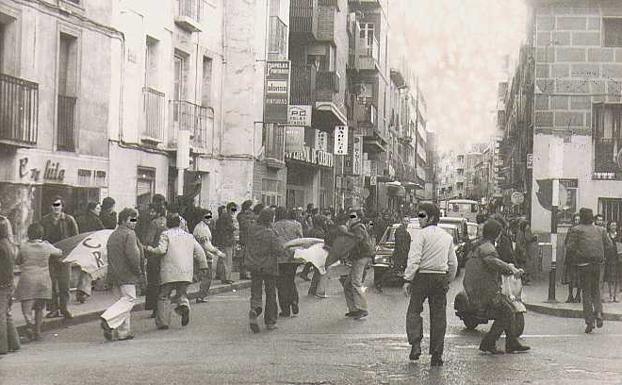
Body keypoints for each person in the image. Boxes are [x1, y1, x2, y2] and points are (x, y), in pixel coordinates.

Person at [463, 219, 530, 355]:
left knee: (508, 310)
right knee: (507, 312)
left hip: (476, 288)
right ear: (497, 234)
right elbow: (494, 262)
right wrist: (511, 269)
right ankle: (490, 342)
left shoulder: (478, 245)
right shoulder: (488, 247)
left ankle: (510, 343)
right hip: (485, 290)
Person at [402, 203, 457, 366]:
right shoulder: (447, 237)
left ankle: (415, 344)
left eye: (422, 216)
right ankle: (436, 354)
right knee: (439, 316)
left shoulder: (420, 235)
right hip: (440, 277)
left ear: (431, 218)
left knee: (414, 311)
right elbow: (453, 263)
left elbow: (414, 259)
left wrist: (408, 279)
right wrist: (448, 280)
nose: (419, 220)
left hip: (422, 277)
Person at [147, 214, 208, 329]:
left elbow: (161, 250)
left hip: (169, 271)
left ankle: (163, 322)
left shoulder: (166, 234)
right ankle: (184, 305)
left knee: (164, 295)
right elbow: (200, 251)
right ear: (179, 223)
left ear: (167, 224)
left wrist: (150, 249)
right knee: (181, 293)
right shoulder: (189, 236)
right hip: (186, 271)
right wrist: (203, 266)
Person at [565, 208, 613, 333]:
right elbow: (609, 245)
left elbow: (570, 248)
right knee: (596, 289)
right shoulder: (600, 230)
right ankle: (598, 313)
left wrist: (575, 257)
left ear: (581, 217)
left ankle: (589, 320)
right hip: (597, 264)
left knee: (586, 292)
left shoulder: (576, 230)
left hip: (583, 264)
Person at [13, 223, 62, 341]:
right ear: (41, 234)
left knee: (27, 309)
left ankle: (30, 326)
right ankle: (38, 331)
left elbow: (18, 261)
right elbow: (59, 252)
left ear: (29, 234)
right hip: (43, 281)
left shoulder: (23, 247)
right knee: (40, 308)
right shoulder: (46, 246)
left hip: (28, 281)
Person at [100, 208, 143, 341]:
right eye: (132, 219)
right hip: (127, 273)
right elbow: (133, 255)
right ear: (124, 220)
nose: (135, 222)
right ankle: (108, 319)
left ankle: (123, 332)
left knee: (121, 302)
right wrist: (138, 271)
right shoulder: (130, 234)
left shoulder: (113, 234)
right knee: (129, 300)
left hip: (114, 273)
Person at [246, 208, 285, 333]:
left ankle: (255, 309)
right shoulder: (270, 233)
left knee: (256, 291)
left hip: (254, 265)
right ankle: (270, 321)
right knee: (270, 293)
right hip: (269, 267)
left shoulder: (251, 230)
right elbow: (279, 250)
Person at [40, 196, 78, 319]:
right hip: (50, 257)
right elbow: (41, 238)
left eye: (58, 205)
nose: (56, 208)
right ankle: (53, 309)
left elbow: (75, 238)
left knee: (64, 284)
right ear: (50, 207)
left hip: (64, 256)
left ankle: (64, 308)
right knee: (50, 284)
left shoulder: (69, 220)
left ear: (62, 206)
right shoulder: (44, 220)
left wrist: (72, 253)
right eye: (53, 205)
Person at [341, 209, 374, 320]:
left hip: (361, 257)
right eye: (350, 216)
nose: (351, 219)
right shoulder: (355, 227)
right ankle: (353, 309)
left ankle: (362, 308)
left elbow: (358, 239)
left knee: (355, 283)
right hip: (359, 257)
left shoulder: (358, 227)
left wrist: (345, 233)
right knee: (347, 285)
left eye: (353, 216)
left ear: (358, 218)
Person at [273, 207, 303, 317]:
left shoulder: (274, 226)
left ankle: (285, 309)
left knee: (281, 283)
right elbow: (301, 240)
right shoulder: (297, 224)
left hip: (280, 258)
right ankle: (294, 300)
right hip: (293, 257)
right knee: (291, 280)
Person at [193, 210, 226, 303]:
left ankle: (200, 296)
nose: (209, 219)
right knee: (207, 277)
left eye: (210, 216)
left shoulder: (203, 227)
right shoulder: (202, 228)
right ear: (202, 217)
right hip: (203, 255)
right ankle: (200, 296)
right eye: (206, 217)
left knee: (202, 276)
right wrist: (219, 253)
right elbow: (206, 245)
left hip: (202, 254)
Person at [75, 201, 105, 303]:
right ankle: (83, 291)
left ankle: (82, 291)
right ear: (92, 209)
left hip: (81, 246)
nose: (99, 210)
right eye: (97, 208)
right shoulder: (96, 220)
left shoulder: (79, 219)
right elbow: (101, 232)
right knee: (88, 269)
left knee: (85, 268)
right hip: (92, 247)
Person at [143, 203, 167, 318]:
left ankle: (155, 309)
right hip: (165, 256)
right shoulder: (167, 221)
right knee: (162, 283)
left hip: (154, 256)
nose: (150, 213)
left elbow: (149, 240)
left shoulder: (154, 223)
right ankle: (162, 309)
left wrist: (146, 248)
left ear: (157, 212)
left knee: (153, 283)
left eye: (152, 211)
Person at [0, 218, 20, 355]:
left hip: (2, 284)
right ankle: (15, 342)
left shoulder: (1, 246)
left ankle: (2, 347)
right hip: (8, 283)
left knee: (1, 316)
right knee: (7, 314)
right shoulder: (9, 244)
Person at [375, 216, 410, 293]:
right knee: (393, 271)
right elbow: (400, 244)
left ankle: (380, 283)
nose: (406, 223)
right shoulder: (400, 230)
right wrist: (404, 254)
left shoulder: (404, 230)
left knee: (403, 270)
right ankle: (379, 283)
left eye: (407, 221)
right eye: (405, 221)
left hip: (403, 254)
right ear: (402, 221)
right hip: (400, 255)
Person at [214, 202, 237, 284]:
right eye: (233, 209)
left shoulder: (223, 216)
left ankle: (223, 276)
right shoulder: (227, 217)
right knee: (227, 260)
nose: (234, 211)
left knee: (222, 259)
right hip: (227, 241)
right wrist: (234, 227)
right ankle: (226, 278)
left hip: (223, 241)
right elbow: (231, 228)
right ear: (229, 208)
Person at [562, 213, 582, 303]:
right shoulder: (570, 230)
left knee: (579, 277)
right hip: (571, 257)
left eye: (578, 220)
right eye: (575, 220)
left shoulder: (582, 231)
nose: (577, 221)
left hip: (580, 257)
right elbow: (566, 242)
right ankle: (570, 295)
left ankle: (578, 295)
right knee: (570, 277)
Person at [236, 200, 255, 281]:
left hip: (250, 238)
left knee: (248, 256)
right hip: (244, 238)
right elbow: (245, 225)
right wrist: (251, 221)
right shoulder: (241, 215)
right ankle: (244, 273)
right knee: (244, 256)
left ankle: (246, 272)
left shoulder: (250, 214)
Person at [604, 222, 620, 303]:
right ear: (609, 226)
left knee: (617, 278)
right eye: (612, 225)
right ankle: (610, 295)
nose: (614, 227)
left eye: (615, 225)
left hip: (618, 259)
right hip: (609, 259)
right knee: (610, 278)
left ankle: (616, 295)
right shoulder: (607, 235)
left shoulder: (619, 235)